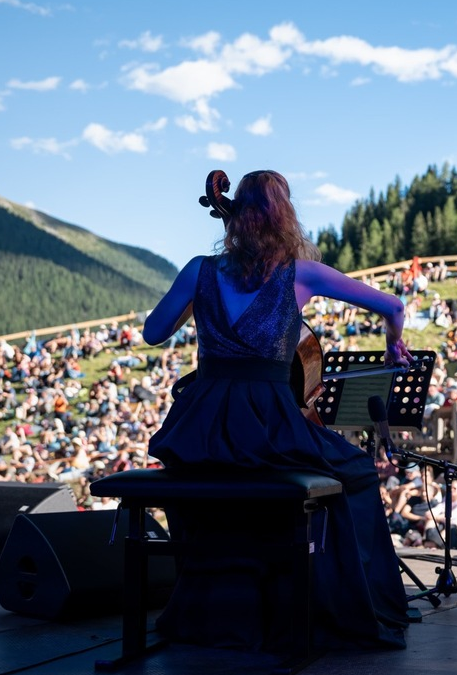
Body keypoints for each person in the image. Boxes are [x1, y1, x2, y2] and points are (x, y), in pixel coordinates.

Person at [141, 169, 409, 652]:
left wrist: (196, 305)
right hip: (267, 423)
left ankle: (220, 607)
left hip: (201, 427)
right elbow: (393, 304)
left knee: (218, 490)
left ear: (235, 215)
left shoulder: (198, 270)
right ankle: (332, 607)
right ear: (286, 217)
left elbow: (152, 332)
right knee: (357, 474)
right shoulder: (299, 273)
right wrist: (394, 345)